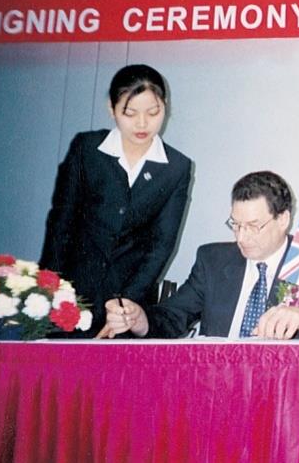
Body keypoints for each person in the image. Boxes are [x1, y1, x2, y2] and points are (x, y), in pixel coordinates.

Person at [99, 170, 299, 340]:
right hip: (218, 386)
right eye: (236, 224)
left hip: (281, 390)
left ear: (283, 219)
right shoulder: (212, 260)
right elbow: (171, 317)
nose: (241, 237)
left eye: (254, 226)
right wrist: (140, 320)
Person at [40, 64, 192, 333]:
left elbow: (161, 245)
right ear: (111, 109)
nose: (142, 124)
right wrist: (49, 290)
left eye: (153, 112)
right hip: (70, 296)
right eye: (130, 113)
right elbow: (61, 223)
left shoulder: (176, 168)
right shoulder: (87, 149)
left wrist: (125, 303)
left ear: (165, 106)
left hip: (129, 304)